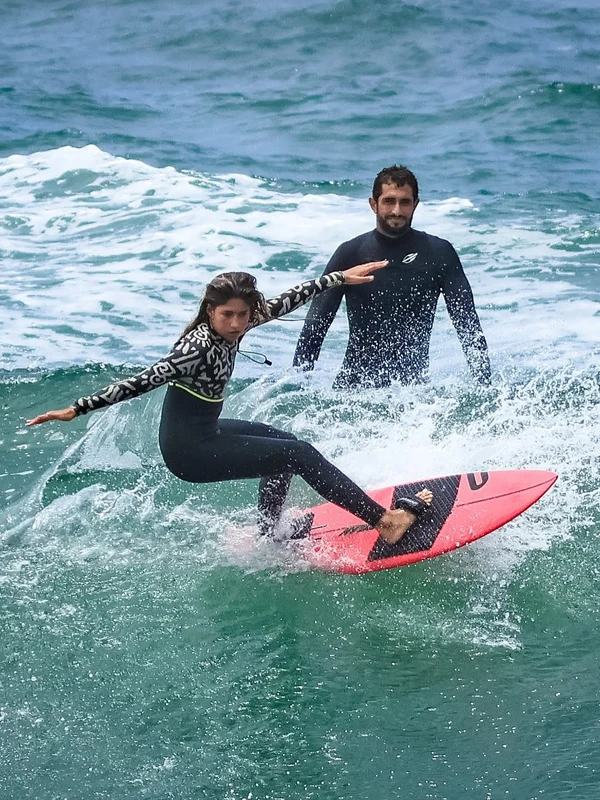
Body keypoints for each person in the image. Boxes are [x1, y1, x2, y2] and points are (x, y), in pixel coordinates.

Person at [26, 264, 432, 545]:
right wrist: (76, 409)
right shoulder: (197, 347)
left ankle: (270, 532)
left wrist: (338, 278)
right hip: (190, 452)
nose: (237, 324)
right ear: (210, 312)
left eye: (242, 315)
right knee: (299, 454)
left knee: (283, 443)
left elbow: (284, 301)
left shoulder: (235, 324)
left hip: (207, 431)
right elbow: (142, 381)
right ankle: (385, 521)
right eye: (227, 316)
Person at [293, 164, 491, 389]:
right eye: (389, 201)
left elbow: (468, 326)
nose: (397, 210)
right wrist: (299, 388)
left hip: (414, 394)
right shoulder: (351, 253)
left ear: (415, 204)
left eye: (405, 202)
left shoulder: (439, 253)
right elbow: (315, 327)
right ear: (373, 204)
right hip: (352, 391)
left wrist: (483, 386)